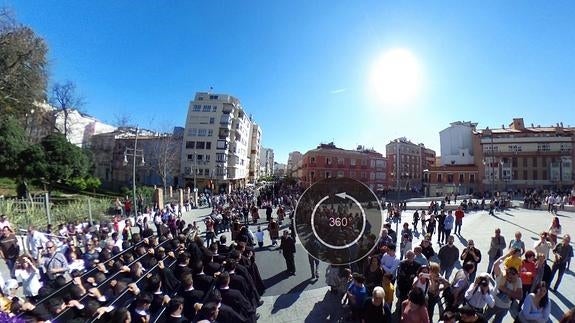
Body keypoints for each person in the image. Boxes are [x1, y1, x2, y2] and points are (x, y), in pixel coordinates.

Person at [483, 252, 522, 323]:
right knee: (483, 319)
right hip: (493, 303)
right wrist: (507, 255)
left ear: (516, 274)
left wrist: (506, 290)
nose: (510, 275)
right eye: (509, 272)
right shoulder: (501, 275)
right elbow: (495, 264)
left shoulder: (518, 281)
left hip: (504, 308)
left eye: (513, 273)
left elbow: (519, 296)